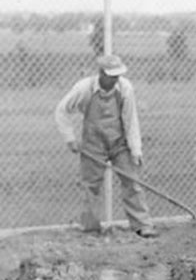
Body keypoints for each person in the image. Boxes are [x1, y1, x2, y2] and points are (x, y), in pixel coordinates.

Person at [54, 53, 158, 237]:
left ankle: (142, 225)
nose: (115, 79)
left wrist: (136, 150)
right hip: (93, 143)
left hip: (119, 142)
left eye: (117, 75)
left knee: (132, 182)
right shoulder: (84, 88)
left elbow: (130, 119)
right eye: (111, 76)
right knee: (90, 186)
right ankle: (91, 229)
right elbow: (62, 111)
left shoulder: (125, 88)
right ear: (101, 73)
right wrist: (70, 138)